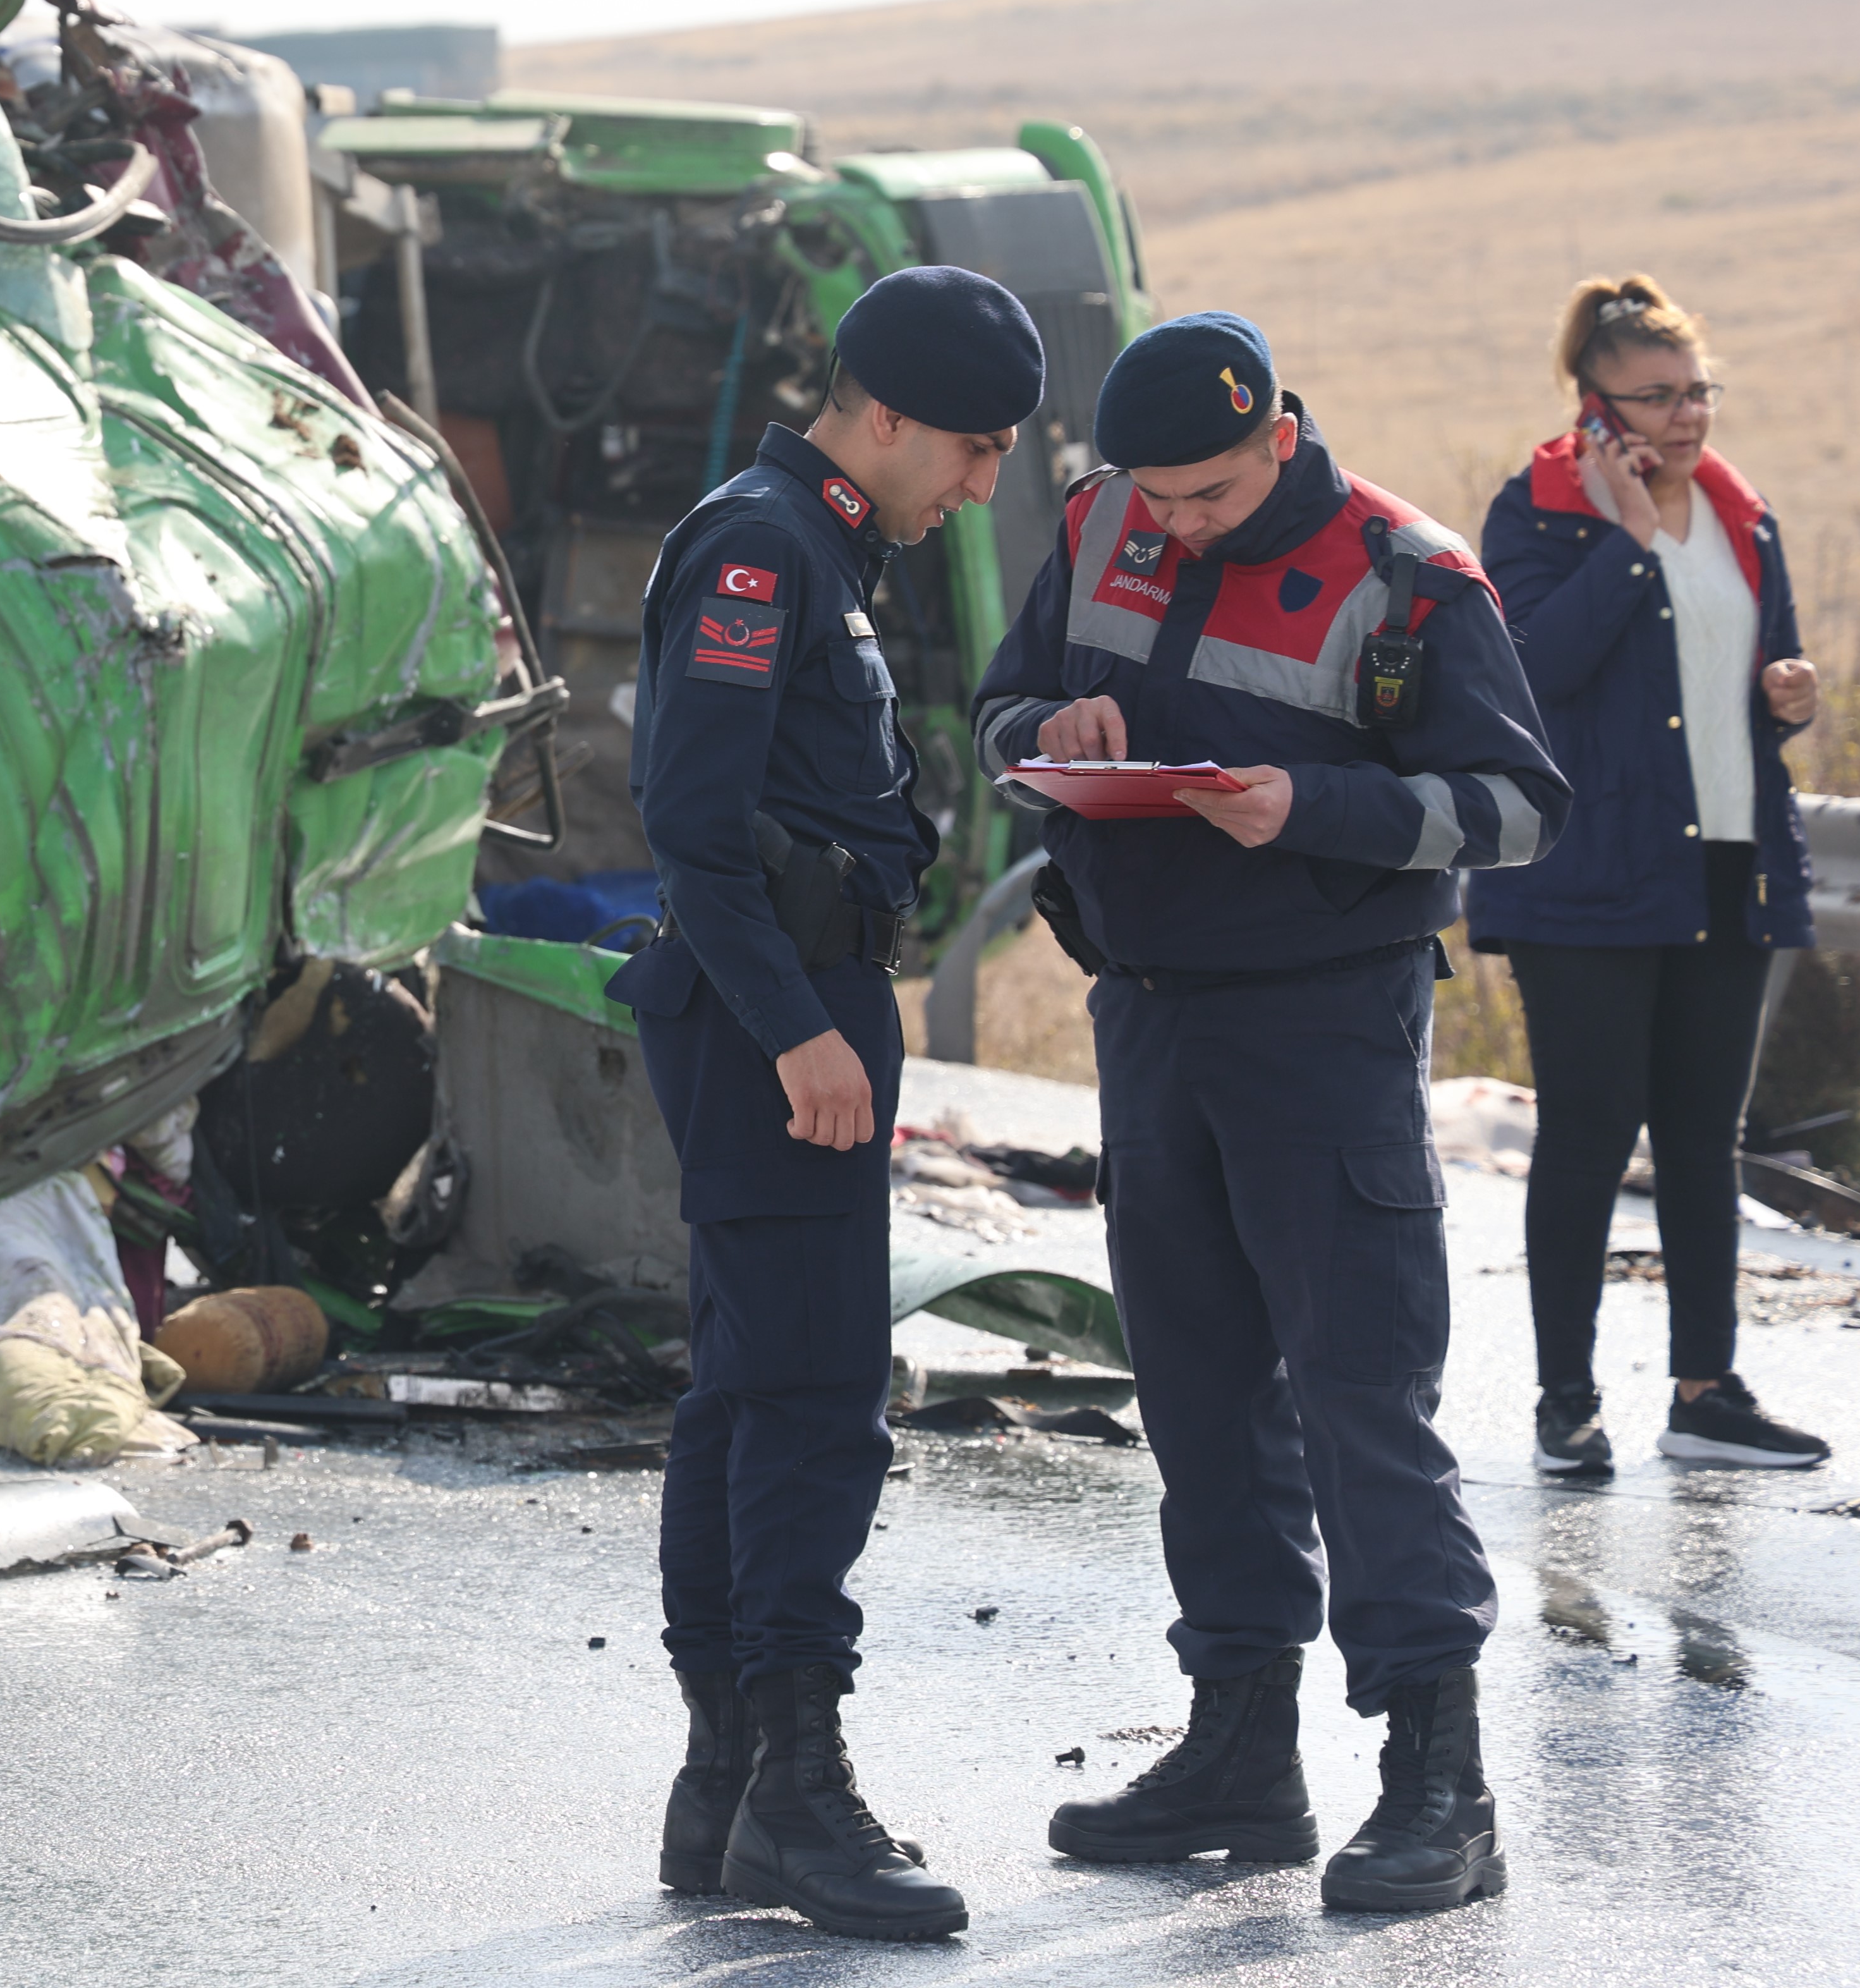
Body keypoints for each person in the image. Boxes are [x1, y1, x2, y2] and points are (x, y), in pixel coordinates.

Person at [970, 312, 1568, 1916]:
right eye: (1156, 496)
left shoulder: (1409, 573)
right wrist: (1049, 739)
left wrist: (1312, 804)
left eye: (1212, 496)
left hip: (1325, 1024)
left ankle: (1440, 1775)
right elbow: (998, 708)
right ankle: (1243, 1747)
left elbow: (1515, 808)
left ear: (1281, 437)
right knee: (1199, 1393)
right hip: (1148, 1016)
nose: (1176, 524)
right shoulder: (1103, 516)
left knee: (1360, 1390)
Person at [614, 263, 1039, 1945]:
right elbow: (695, 825)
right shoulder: (759, 546)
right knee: (807, 1399)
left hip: (787, 999)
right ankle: (795, 1790)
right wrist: (801, 1032)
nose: (986, 483)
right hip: (766, 1014)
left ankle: (726, 1787)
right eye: (977, 447)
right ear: (881, 414)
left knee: (748, 1392)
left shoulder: (820, 546)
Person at [1473, 275, 1828, 1473]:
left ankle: (1706, 1392)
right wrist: (1628, 548)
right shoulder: (1535, 516)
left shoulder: (1740, 512)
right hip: (1585, 880)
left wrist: (1784, 698)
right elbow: (1530, 676)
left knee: (1700, 1137)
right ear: (1595, 402)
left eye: (1698, 391)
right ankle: (1564, 1402)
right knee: (1585, 1136)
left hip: (1725, 866)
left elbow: (1731, 685)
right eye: (1659, 397)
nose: (1688, 419)